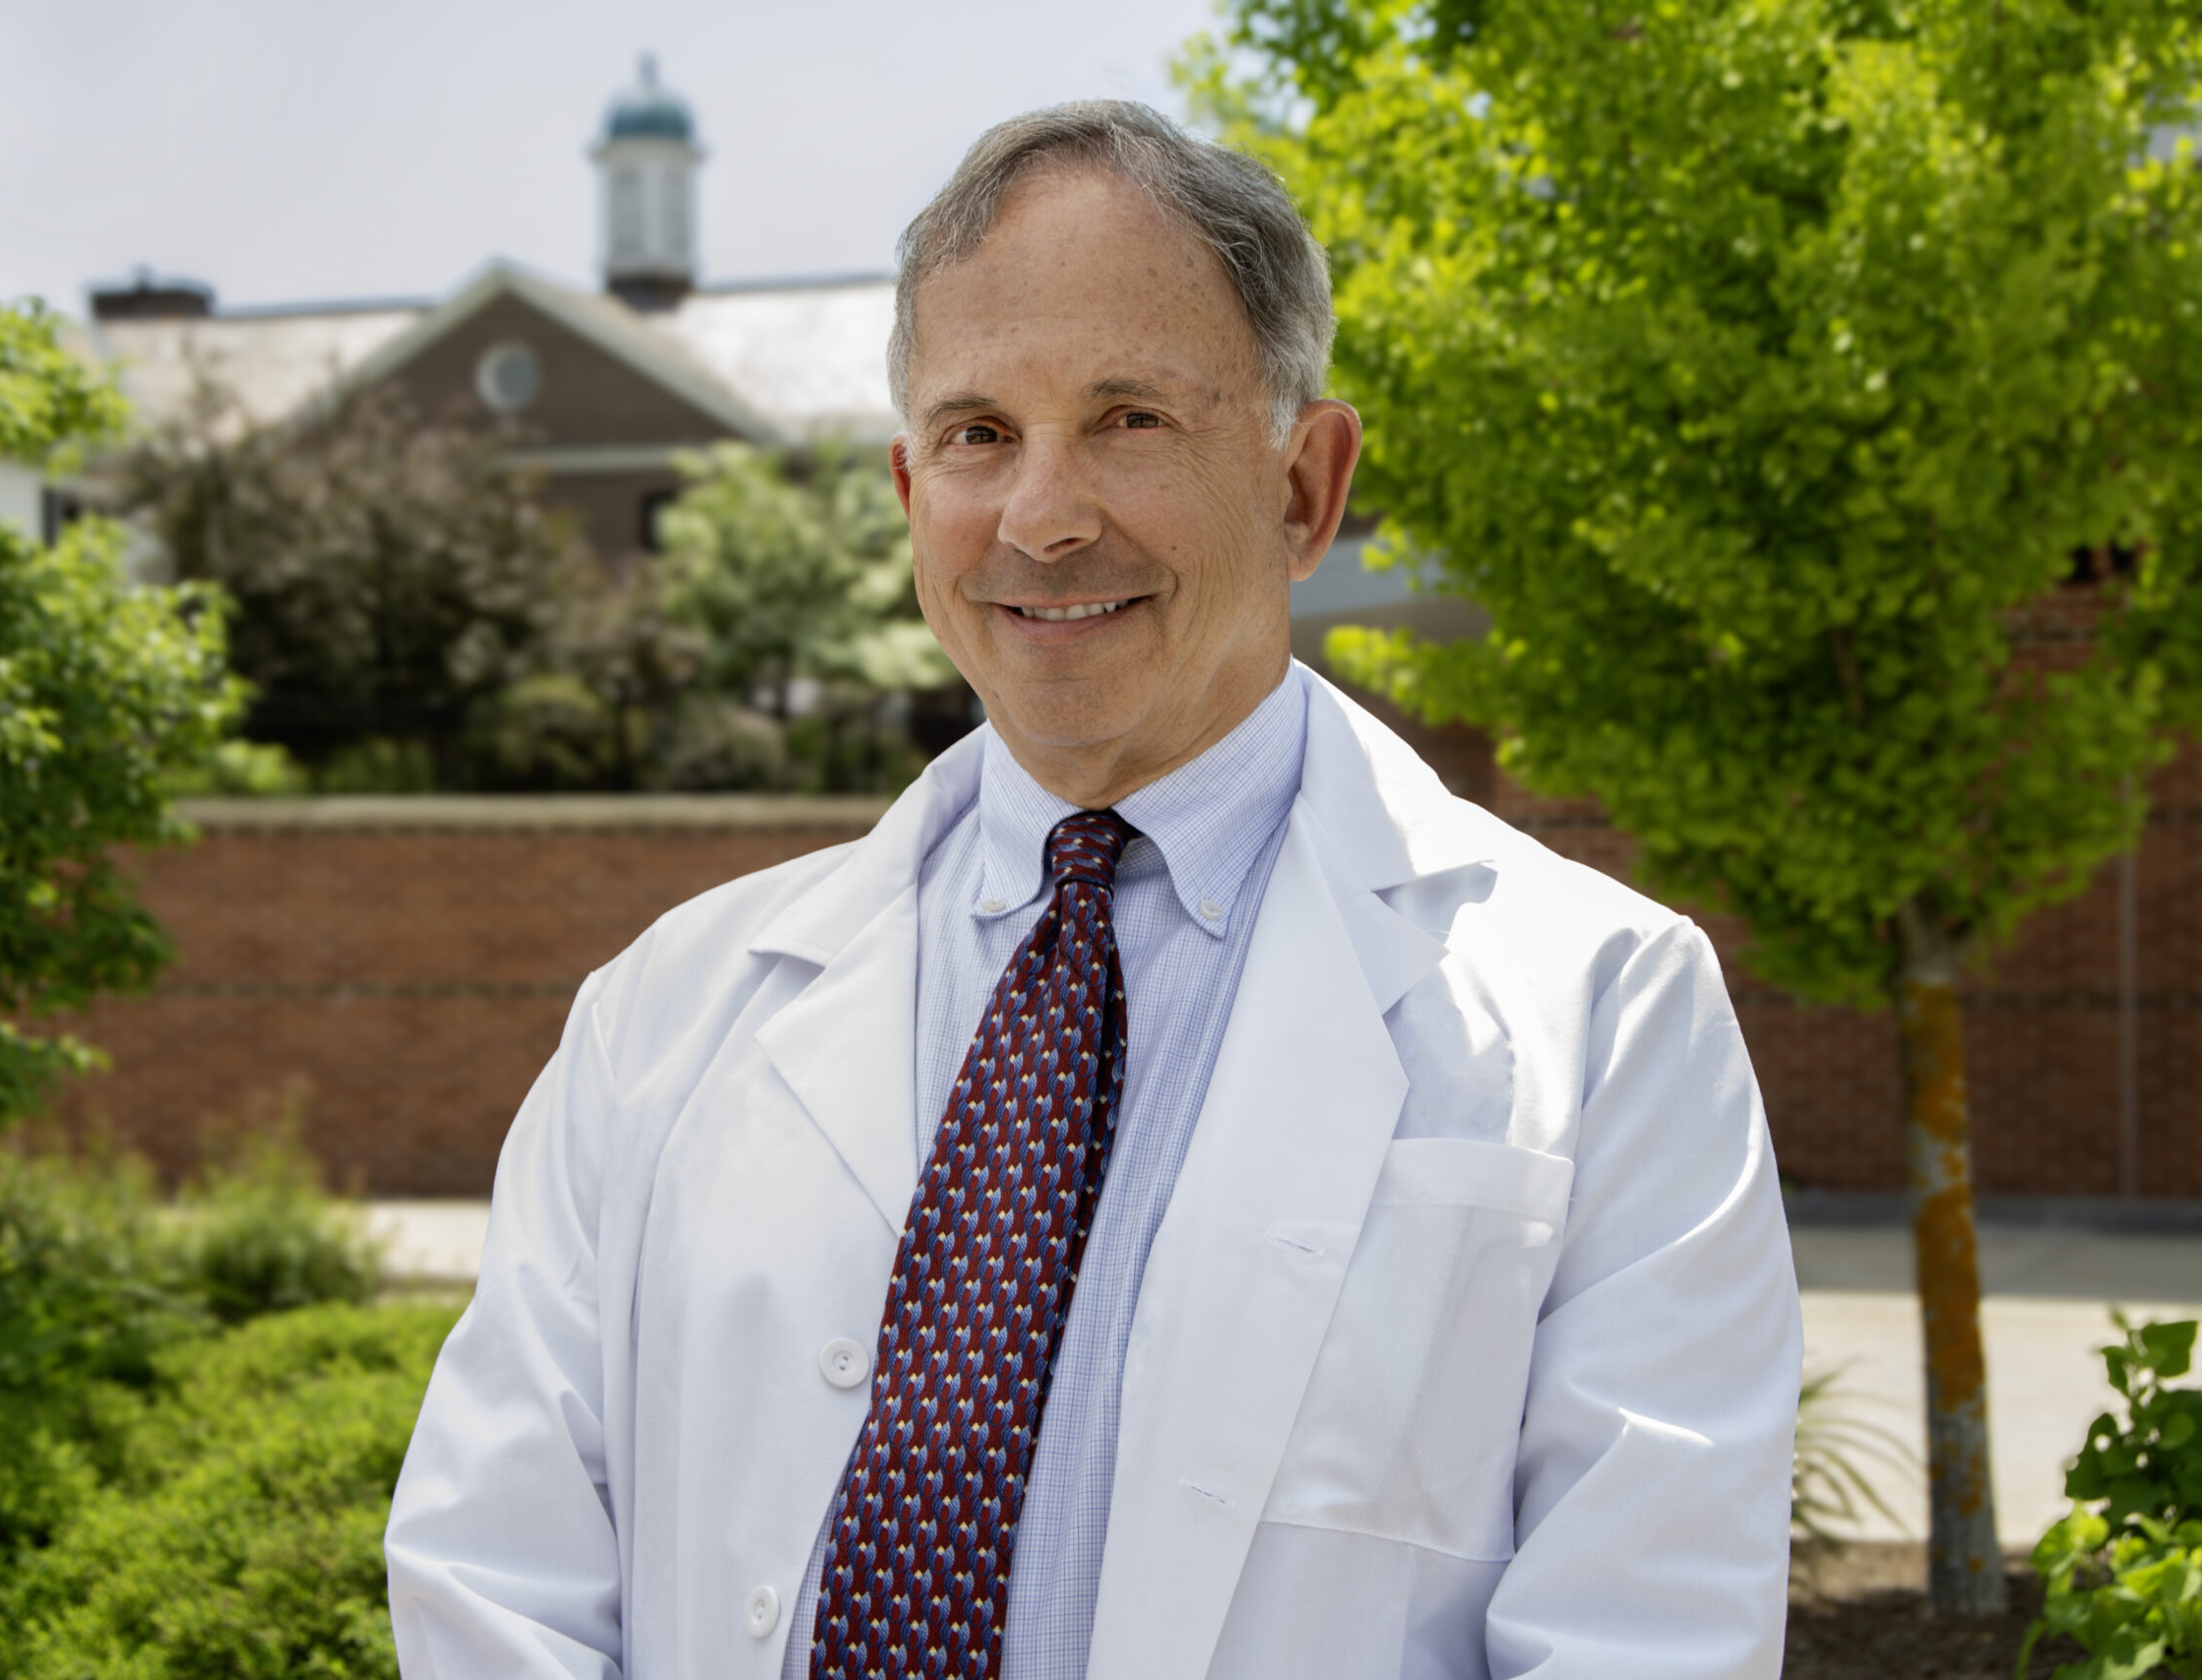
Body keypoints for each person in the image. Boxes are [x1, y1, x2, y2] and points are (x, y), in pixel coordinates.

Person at [385, 100, 1799, 1680]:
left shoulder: (1609, 1019)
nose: (1044, 516)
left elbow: (1646, 1640)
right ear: (914, 498)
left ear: (1303, 488)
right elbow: (494, 1577)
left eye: (1130, 418)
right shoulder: (662, 1014)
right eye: (980, 434)